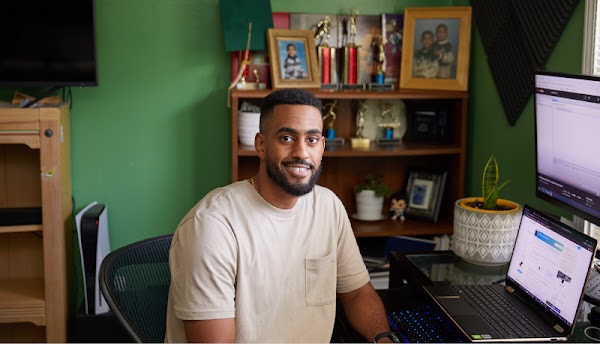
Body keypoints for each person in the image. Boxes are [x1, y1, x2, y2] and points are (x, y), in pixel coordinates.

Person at [165, 88, 396, 343]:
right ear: (261, 145)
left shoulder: (328, 206)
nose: (301, 152)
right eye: (286, 138)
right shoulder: (212, 226)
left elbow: (357, 294)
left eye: (311, 139)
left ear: (322, 146)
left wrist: (384, 338)